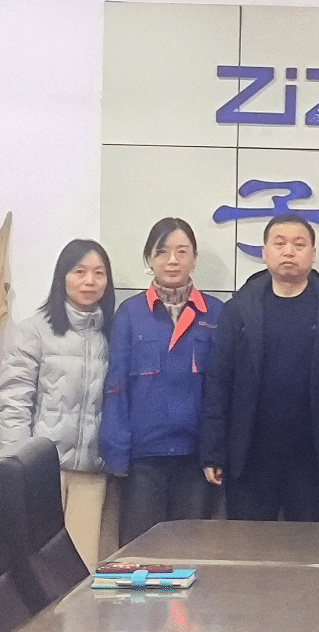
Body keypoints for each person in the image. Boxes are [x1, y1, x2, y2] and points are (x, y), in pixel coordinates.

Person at [200, 214, 319, 522]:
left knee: (308, 547)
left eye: (299, 244)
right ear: (264, 252)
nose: (289, 251)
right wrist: (213, 451)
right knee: (247, 545)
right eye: (280, 243)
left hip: (312, 460)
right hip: (249, 458)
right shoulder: (239, 310)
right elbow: (219, 383)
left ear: (313, 254)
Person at [99, 218, 222, 546]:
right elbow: (116, 387)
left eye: (182, 252)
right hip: (143, 458)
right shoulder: (130, 313)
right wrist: (117, 454)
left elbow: (223, 391)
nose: (172, 260)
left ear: (194, 258)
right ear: (149, 259)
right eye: (162, 252)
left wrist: (216, 452)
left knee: (191, 553)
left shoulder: (215, 314)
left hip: (195, 459)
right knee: (140, 554)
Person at [0, 239, 115, 569]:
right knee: (38, 566)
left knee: (83, 567)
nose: (90, 281)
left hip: (92, 472)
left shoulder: (113, 333)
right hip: (43, 471)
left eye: (99, 273)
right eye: (80, 272)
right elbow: (14, 400)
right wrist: (17, 464)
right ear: (62, 277)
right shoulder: (35, 330)